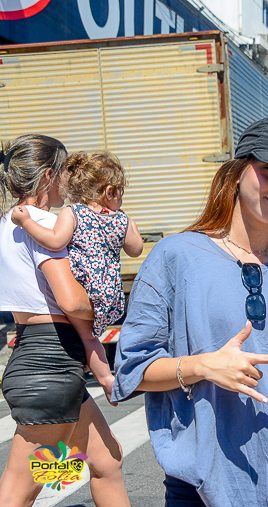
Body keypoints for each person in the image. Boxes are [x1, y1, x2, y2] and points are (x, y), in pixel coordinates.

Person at [112, 118, 268, 506]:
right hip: (204, 481)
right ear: (236, 172)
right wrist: (203, 366)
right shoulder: (176, 256)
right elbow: (132, 370)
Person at [0, 134, 129, 506]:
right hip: (52, 365)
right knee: (21, 490)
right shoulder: (42, 221)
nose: (71, 181)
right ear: (47, 176)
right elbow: (71, 301)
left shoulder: (9, 222)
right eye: (65, 171)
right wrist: (107, 304)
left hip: (43, 358)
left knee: (106, 459)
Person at [11, 151, 144, 402]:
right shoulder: (121, 219)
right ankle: (112, 375)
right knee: (93, 336)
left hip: (85, 288)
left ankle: (106, 380)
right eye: (121, 192)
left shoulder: (72, 212)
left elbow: (55, 241)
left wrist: (26, 222)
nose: (122, 198)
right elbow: (136, 250)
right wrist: (128, 223)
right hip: (110, 294)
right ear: (110, 191)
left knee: (87, 337)